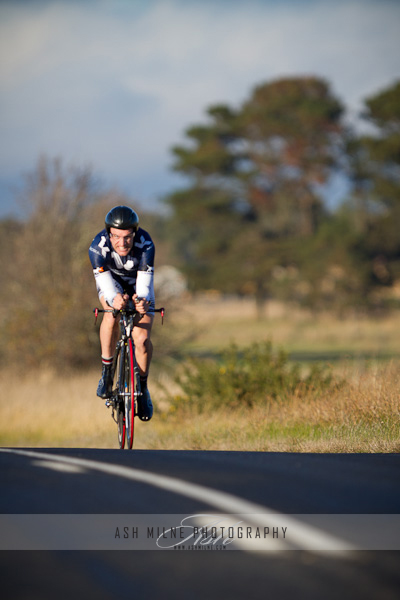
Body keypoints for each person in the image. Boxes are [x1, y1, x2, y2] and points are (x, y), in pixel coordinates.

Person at [88, 205, 155, 421]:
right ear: (109, 234)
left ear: (134, 234)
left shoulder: (146, 244)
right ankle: (107, 372)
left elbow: (144, 286)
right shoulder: (97, 248)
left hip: (138, 285)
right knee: (110, 313)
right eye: (116, 237)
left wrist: (141, 302)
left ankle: (142, 390)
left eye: (127, 237)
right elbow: (105, 287)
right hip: (112, 284)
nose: (122, 243)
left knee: (142, 340)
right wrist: (114, 300)